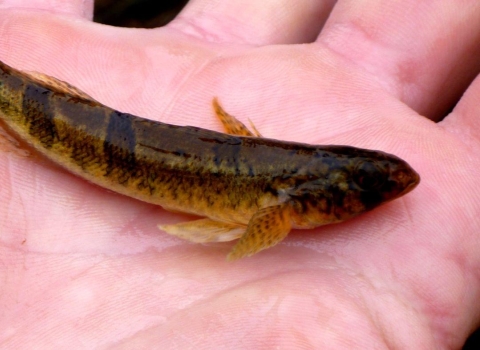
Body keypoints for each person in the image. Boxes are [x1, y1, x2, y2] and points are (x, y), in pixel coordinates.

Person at [1, 1, 479, 348]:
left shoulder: (285, 194)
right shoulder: (280, 206)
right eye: (364, 190)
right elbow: (247, 230)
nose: (380, 194)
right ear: (306, 197)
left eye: (365, 190)